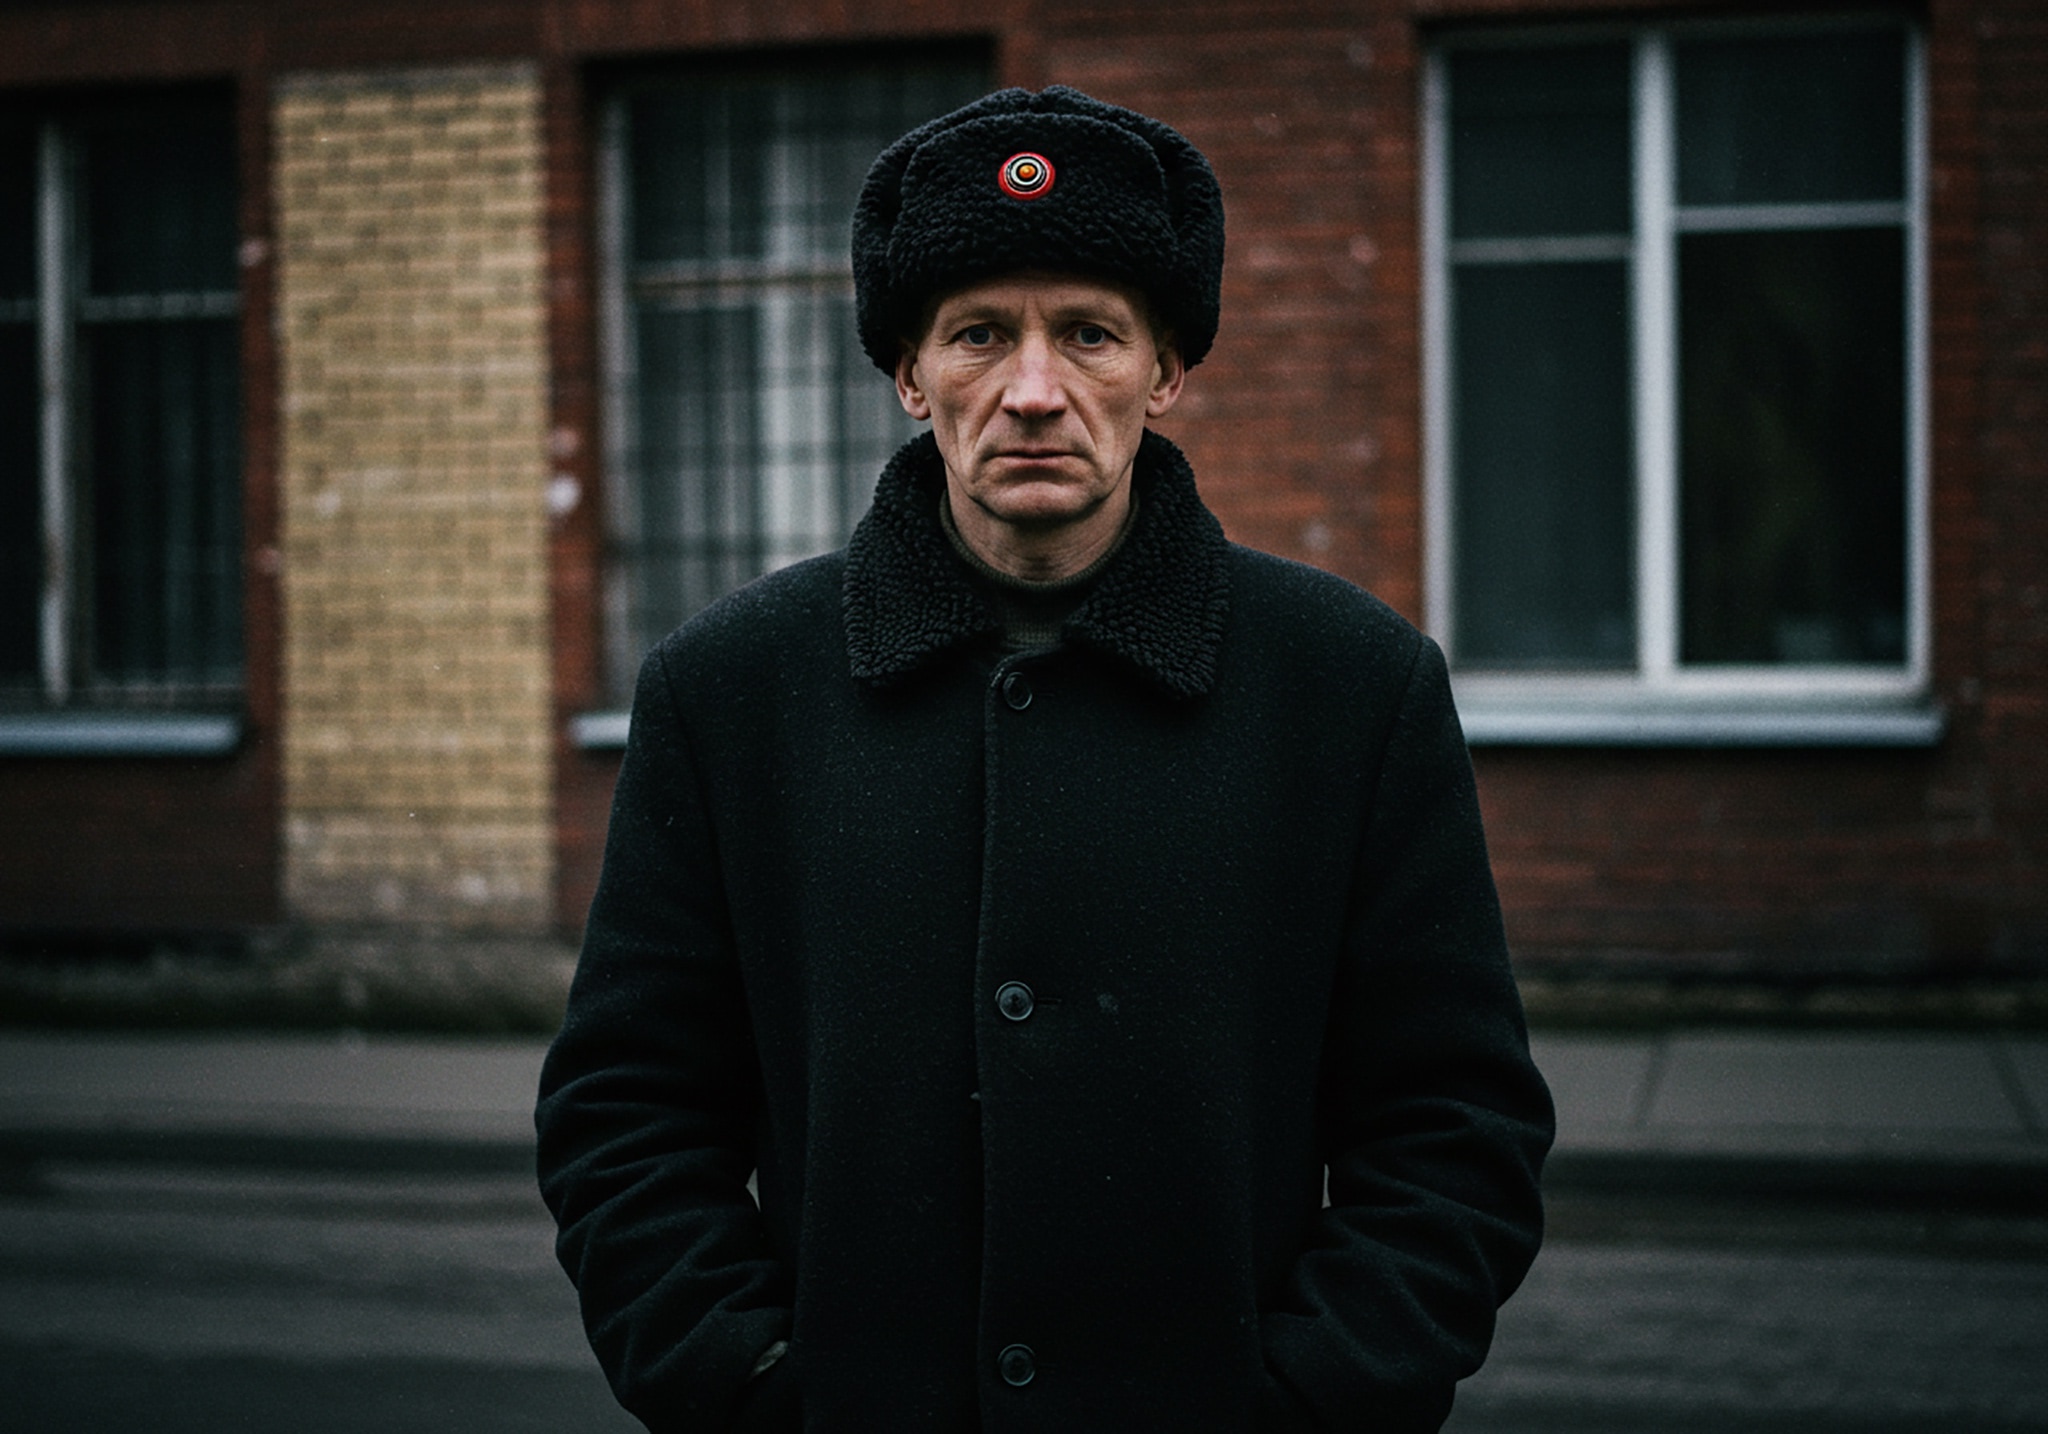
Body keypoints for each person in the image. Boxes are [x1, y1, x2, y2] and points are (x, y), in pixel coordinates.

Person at [536, 85, 1553, 1433]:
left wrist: (1311, 1401)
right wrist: (749, 1384)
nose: (1032, 392)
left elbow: (1454, 1130)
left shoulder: (1352, 688)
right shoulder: (729, 692)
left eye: (1089, 333)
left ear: (1166, 369)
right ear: (911, 375)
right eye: (978, 335)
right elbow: (627, 1115)